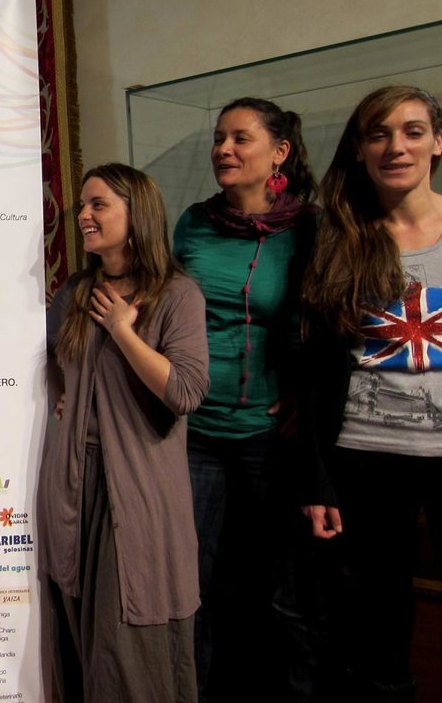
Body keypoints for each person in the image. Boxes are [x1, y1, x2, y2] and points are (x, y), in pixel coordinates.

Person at [41, 163, 209, 701]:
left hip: (136, 490)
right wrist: (65, 391)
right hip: (74, 485)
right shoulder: (74, 293)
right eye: (82, 206)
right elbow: (52, 357)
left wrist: (122, 331)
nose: (83, 216)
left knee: (128, 640)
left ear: (137, 214)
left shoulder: (176, 294)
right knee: (78, 634)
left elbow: (184, 391)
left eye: (99, 205)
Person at [173, 97, 318, 700]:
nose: (224, 150)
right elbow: (166, 312)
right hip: (193, 430)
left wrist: (307, 395)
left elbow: (325, 325)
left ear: (279, 152)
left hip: (268, 431)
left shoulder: (310, 228)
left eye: (240, 138)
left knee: (283, 589)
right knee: (195, 584)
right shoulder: (193, 222)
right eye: (218, 138)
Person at [300, 85, 442, 703]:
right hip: (366, 457)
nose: (396, 147)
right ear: (359, 149)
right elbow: (314, 373)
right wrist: (318, 480)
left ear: (438, 142)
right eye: (379, 134)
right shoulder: (340, 239)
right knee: (380, 623)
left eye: (413, 131)